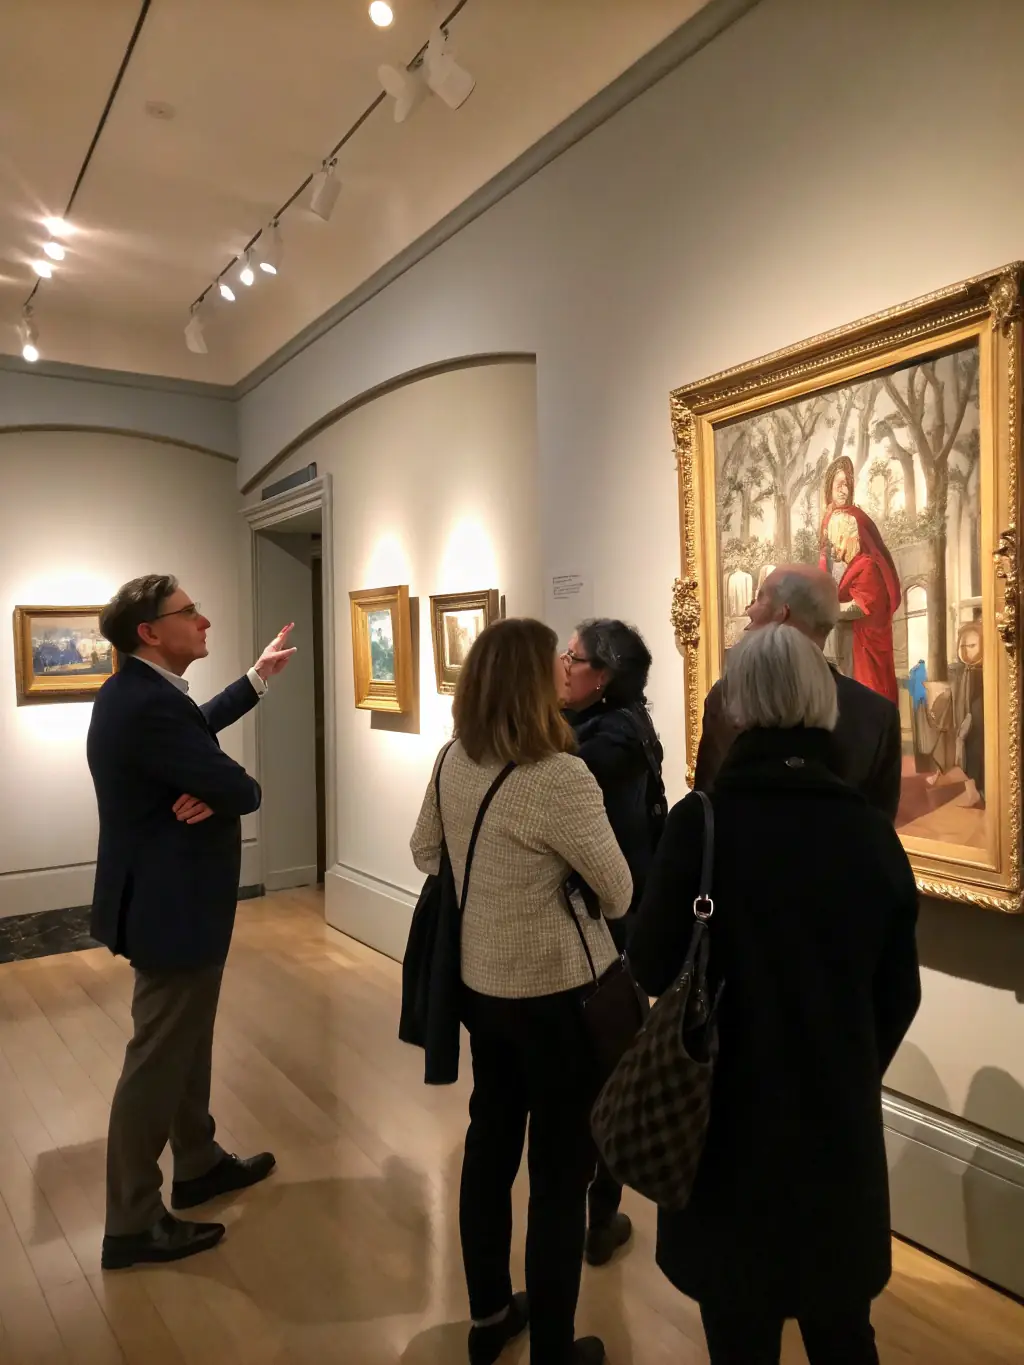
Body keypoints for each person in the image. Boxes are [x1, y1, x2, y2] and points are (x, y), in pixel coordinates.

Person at [629, 623, 921, 1365]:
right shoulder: (868, 832)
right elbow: (900, 993)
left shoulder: (702, 825)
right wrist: (846, 1061)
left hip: (720, 1134)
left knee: (739, 1340)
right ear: (823, 704)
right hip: (834, 1134)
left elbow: (652, 966)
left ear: (736, 706)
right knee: (843, 1334)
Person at [411, 618, 632, 1365]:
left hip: (483, 990)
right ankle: (554, 1350)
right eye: (554, 664)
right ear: (532, 684)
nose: (566, 671)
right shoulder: (559, 776)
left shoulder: (453, 758)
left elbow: (425, 850)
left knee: (490, 1146)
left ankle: (489, 1316)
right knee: (559, 1175)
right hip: (558, 1001)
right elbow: (619, 891)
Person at [87, 574, 296, 1270]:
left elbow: (193, 730)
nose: (204, 621)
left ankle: (198, 1161)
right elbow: (238, 785)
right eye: (189, 612)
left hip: (169, 902)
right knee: (156, 1058)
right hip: (170, 907)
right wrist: (229, 789)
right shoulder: (148, 706)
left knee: (184, 1042)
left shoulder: (138, 693)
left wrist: (255, 681)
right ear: (150, 632)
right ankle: (132, 1218)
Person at [559, 618, 664, 1267]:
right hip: (604, 927)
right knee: (601, 1069)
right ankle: (596, 1212)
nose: (561, 664)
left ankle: (595, 1214)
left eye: (572, 657)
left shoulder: (605, 745)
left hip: (603, 932)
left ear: (601, 676)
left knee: (602, 1073)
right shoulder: (616, 726)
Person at [693, 564, 902, 820]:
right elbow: (880, 830)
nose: (750, 610)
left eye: (760, 598)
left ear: (782, 614)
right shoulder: (877, 714)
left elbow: (706, 811)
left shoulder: (727, 697)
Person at [830, 512, 899, 703]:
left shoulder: (867, 566)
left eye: (839, 540)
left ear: (851, 537)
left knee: (867, 703)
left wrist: (826, 608)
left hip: (865, 654)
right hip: (855, 651)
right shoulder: (855, 566)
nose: (836, 548)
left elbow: (858, 608)